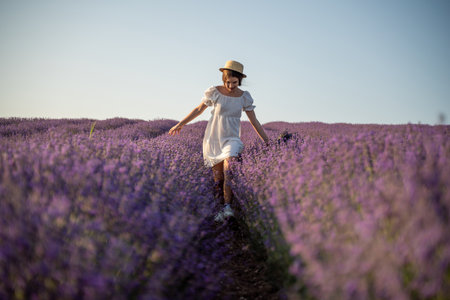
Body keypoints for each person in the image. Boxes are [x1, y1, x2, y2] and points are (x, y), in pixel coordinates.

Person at [168, 60, 269, 222]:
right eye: (228, 82)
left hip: (232, 139)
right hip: (213, 139)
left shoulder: (244, 97)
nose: (230, 86)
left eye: (234, 83)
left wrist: (267, 141)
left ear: (240, 81)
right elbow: (198, 109)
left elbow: (254, 121)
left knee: (229, 170)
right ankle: (219, 210)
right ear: (224, 80)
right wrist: (180, 124)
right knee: (218, 178)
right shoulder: (214, 92)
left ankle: (228, 208)